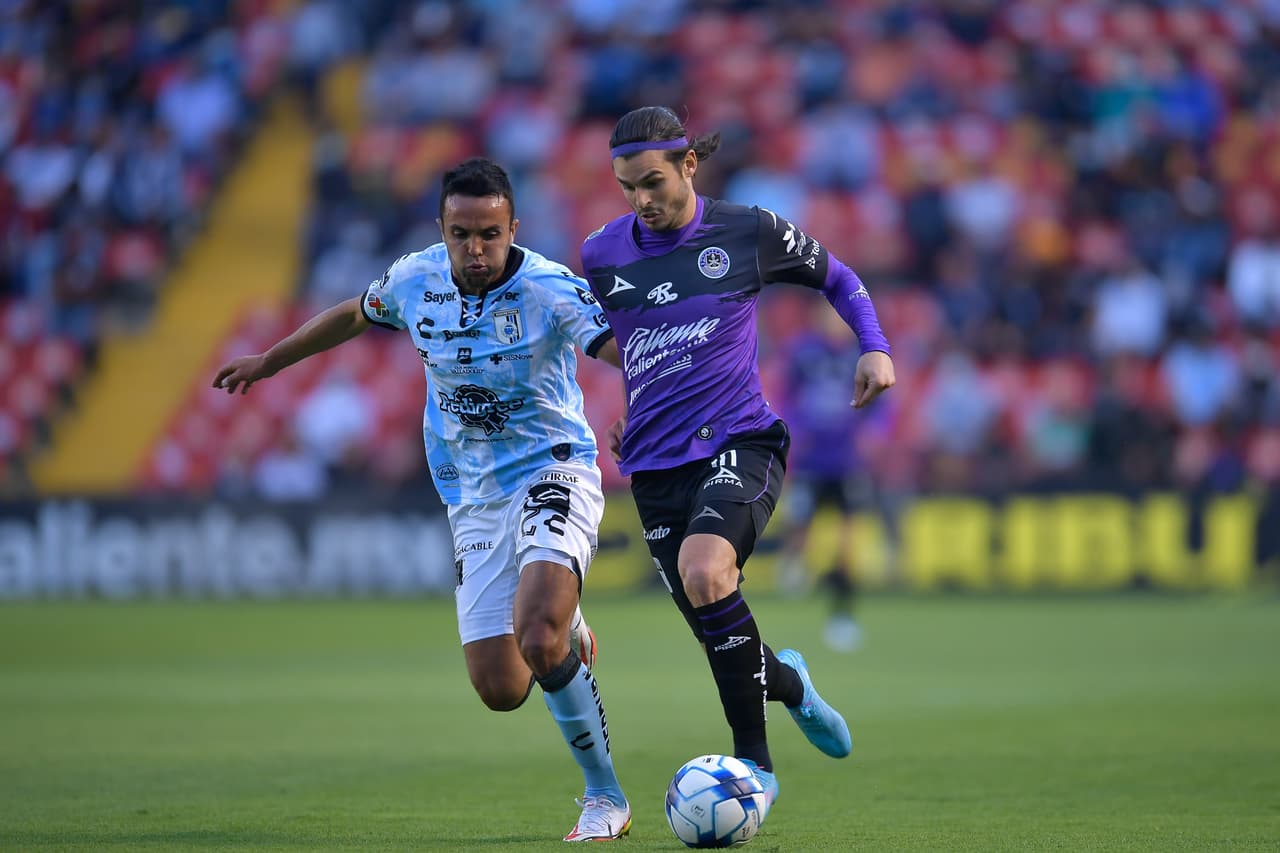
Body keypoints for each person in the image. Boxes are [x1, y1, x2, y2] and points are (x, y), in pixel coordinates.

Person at [213, 158, 632, 842]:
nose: (475, 249)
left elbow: (627, 350)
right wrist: (270, 361)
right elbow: (354, 313)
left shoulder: (550, 289)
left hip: (553, 468)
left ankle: (604, 796)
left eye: (489, 234)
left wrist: (638, 411)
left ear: (514, 228)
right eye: (461, 234)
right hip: (471, 492)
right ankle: (569, 626)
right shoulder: (415, 278)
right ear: (441, 229)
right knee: (501, 688)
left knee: (537, 635)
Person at [580, 106, 896, 814]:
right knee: (719, 633)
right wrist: (637, 402)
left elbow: (839, 277)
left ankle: (755, 766)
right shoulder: (601, 254)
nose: (641, 199)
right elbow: (631, 343)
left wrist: (874, 347)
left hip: (740, 442)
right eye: (627, 186)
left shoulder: (747, 230)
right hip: (654, 466)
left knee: (705, 571)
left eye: (653, 182)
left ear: (690, 164)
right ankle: (794, 685)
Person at [776, 299, 883, 652]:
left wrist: (873, 434)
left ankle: (842, 613)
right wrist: (793, 431)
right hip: (811, 461)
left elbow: (883, 404)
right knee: (799, 528)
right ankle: (795, 567)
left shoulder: (859, 354)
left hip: (847, 462)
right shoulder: (803, 353)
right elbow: (786, 398)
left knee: (847, 543)